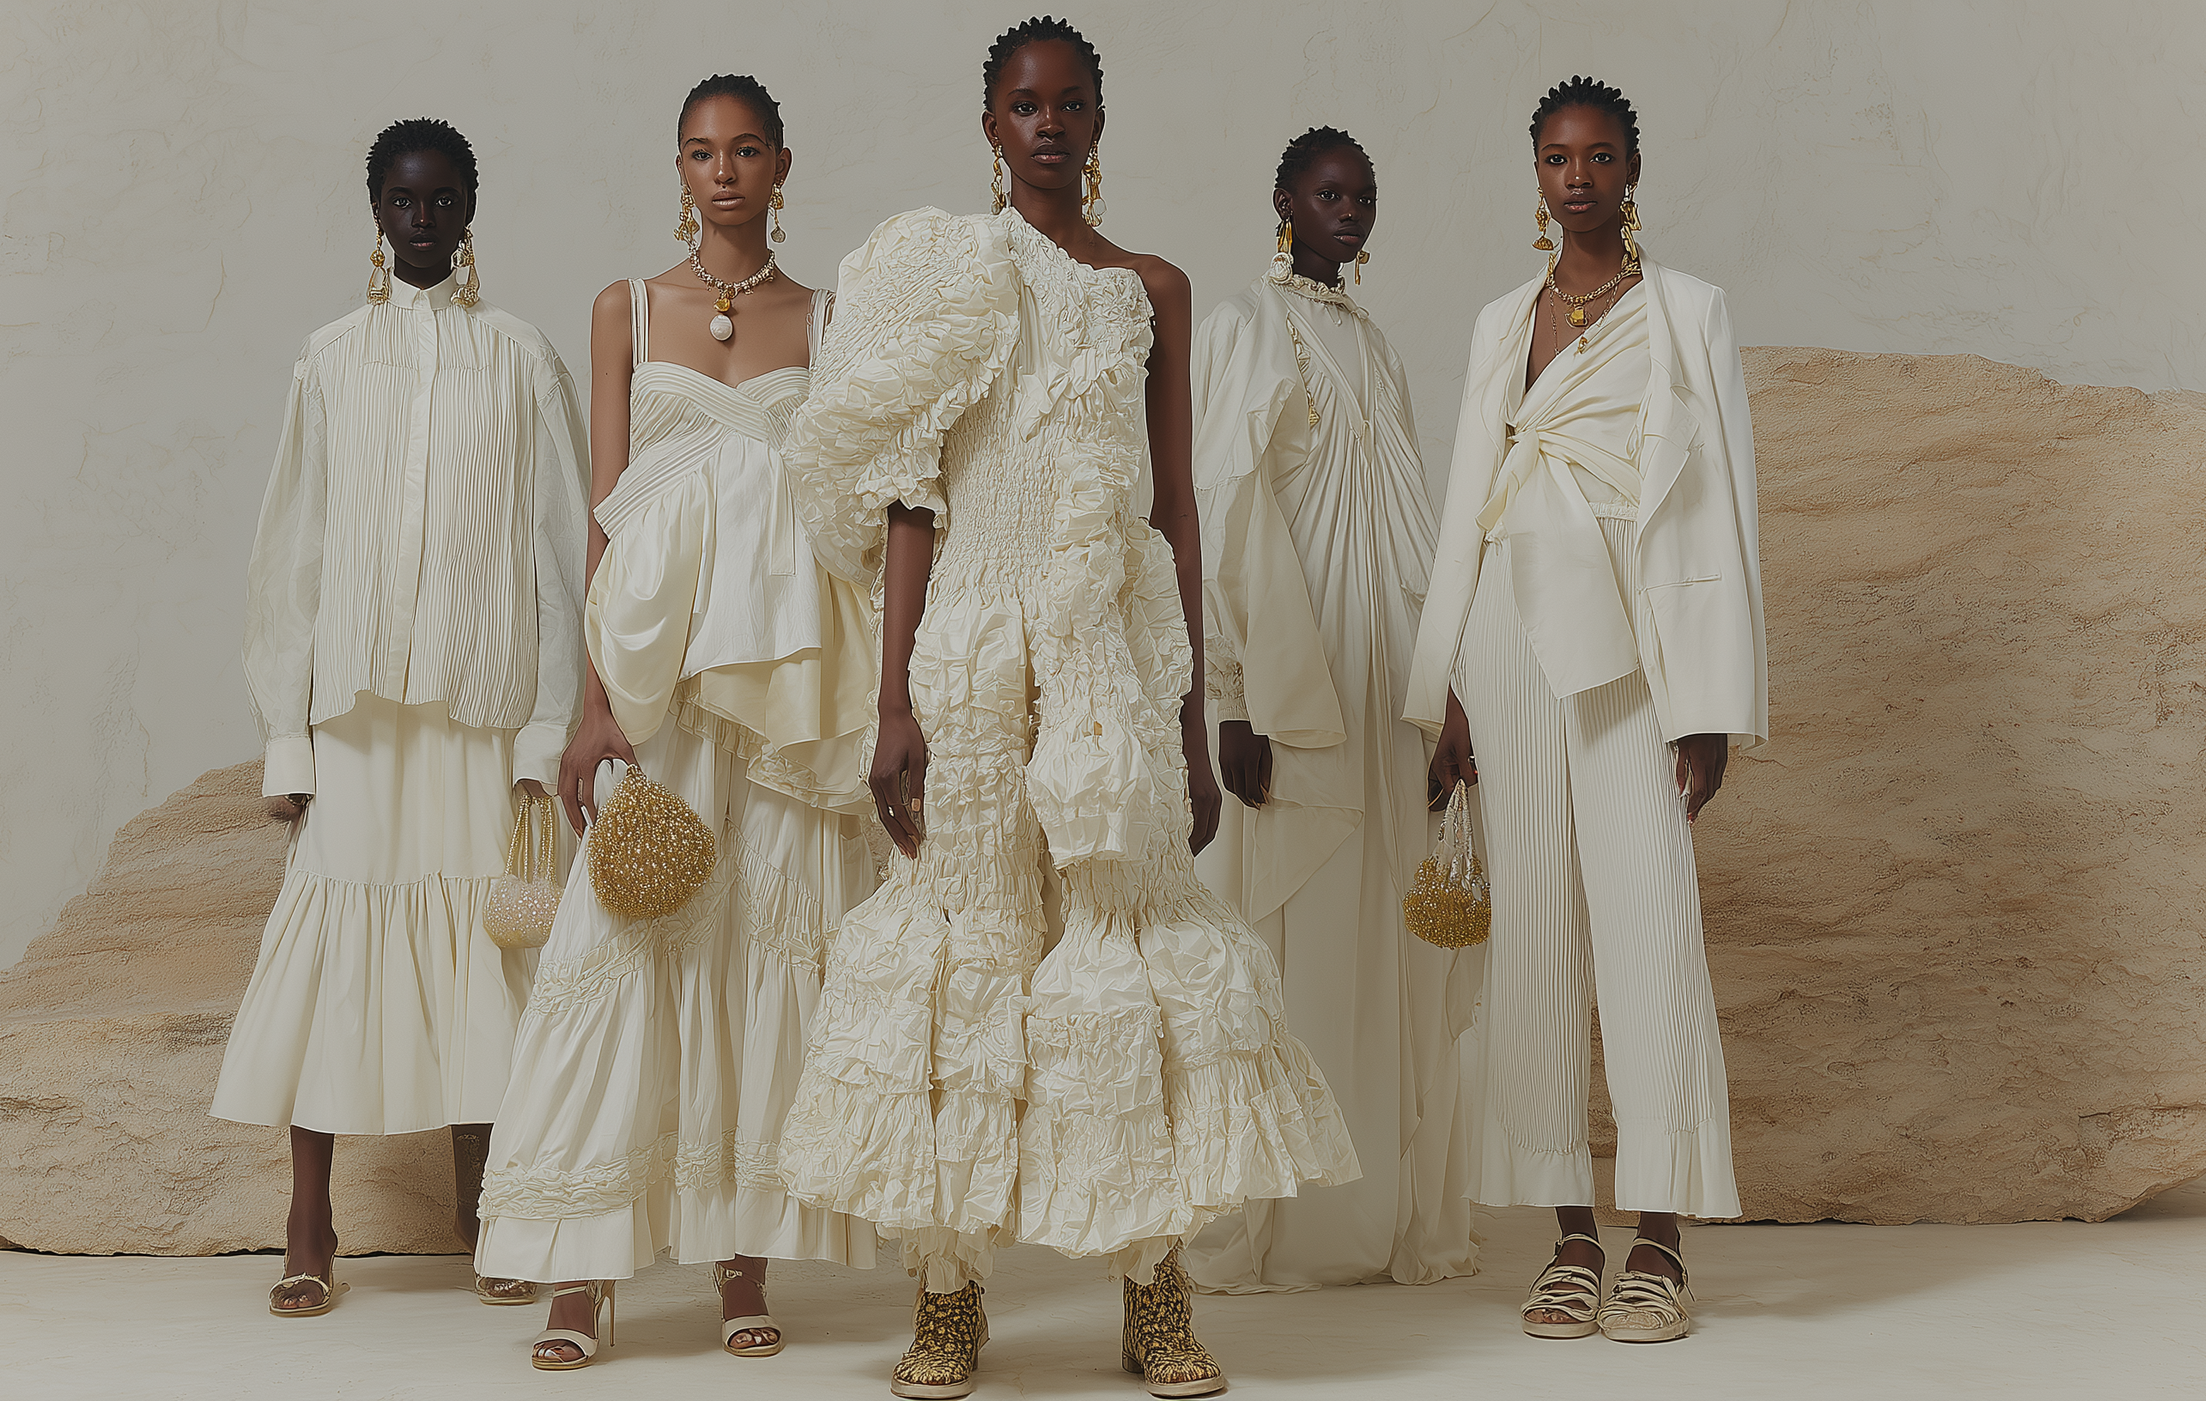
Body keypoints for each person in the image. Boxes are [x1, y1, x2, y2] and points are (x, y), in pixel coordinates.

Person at [778, 19, 1358, 1400]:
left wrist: (1192, 708)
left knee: (1131, 936)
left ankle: (1154, 1290)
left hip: (1109, 649)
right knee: (966, 943)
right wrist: (893, 702)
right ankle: (949, 1293)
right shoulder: (946, 275)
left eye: (1071, 104)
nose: (1048, 125)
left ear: (1101, 123)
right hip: (971, 650)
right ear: (990, 128)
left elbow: (1178, 514)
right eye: (1023, 106)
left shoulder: (1153, 287)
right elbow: (910, 495)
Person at [472, 75, 880, 1371]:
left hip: (775, 693)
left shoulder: (827, 314)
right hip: (652, 690)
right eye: (702, 152)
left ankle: (737, 1255)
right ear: (678, 166)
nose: (723, 172)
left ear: (781, 165)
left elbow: (859, 512)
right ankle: (577, 1277)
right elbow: (602, 514)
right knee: (619, 948)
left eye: (746, 149)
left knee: (753, 947)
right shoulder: (623, 310)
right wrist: (589, 706)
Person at [1403, 75, 1767, 1344]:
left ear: (1630, 170)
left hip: (1631, 647)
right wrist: (1440, 677)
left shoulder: (1686, 313)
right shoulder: (1504, 320)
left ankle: (1658, 1239)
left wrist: (1708, 700)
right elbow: (1468, 501)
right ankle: (1567, 1233)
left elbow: (1719, 505)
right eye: (1556, 158)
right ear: (1536, 175)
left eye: (1598, 157)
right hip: (1507, 640)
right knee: (1538, 940)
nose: (1576, 178)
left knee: (1650, 928)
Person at [213, 117, 588, 1318]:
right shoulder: (328, 359)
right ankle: (307, 1221)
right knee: (336, 957)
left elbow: (561, 556)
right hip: (358, 714)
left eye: (441, 200)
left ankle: (491, 1213)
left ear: (471, 209)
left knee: (488, 956)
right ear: (374, 211)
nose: (420, 221)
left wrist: (546, 732)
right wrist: (290, 736)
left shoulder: (522, 358)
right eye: (399, 200)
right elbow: (294, 557)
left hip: (481, 714)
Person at [1183, 128, 1484, 1293]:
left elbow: (1418, 539)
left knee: (1384, 925)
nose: (1347, 211)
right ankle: (1278, 1219)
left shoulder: (1378, 346)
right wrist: (1237, 696)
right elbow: (1220, 513)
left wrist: (1443, 691)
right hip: (1298, 674)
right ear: (1282, 201)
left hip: (1389, 673)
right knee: (1286, 927)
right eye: (1326, 193)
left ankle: (1382, 1212)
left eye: (1362, 196)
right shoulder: (1242, 326)